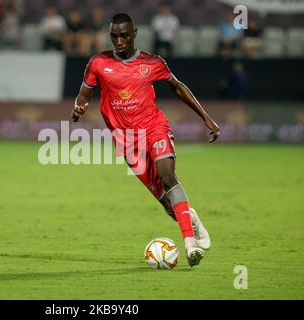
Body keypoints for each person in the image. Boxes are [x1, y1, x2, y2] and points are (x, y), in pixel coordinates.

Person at [71, 13, 220, 267]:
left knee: (168, 176)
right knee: (166, 200)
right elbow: (85, 92)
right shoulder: (98, 63)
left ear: (135, 33)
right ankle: (191, 220)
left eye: (124, 35)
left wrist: (205, 116)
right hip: (127, 141)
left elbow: (177, 86)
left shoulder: (152, 62)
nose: (119, 41)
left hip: (154, 127)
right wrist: (79, 106)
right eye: (114, 36)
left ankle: (189, 245)